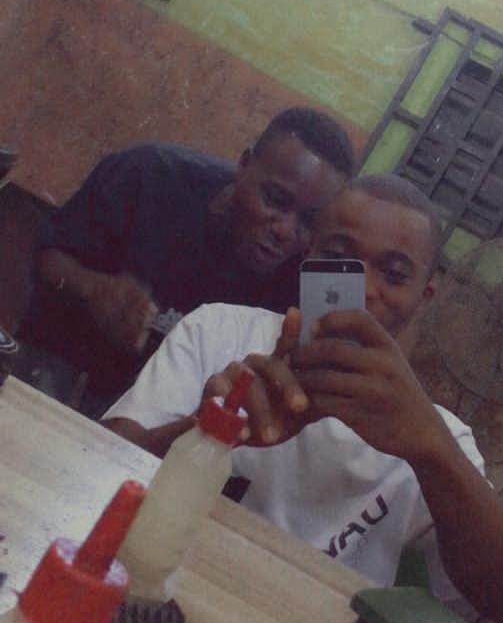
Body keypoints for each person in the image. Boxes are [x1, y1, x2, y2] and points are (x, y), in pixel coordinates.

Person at [103, 174, 503, 623]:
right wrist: (208, 427)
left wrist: (431, 449)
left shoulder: (432, 431)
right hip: (154, 595)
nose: (363, 289)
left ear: (423, 297)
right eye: (337, 258)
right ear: (307, 258)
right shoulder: (220, 332)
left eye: (393, 275)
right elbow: (99, 458)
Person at [17, 108, 354, 416]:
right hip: (65, 366)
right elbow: (48, 255)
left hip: (177, 413)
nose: (285, 231)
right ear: (243, 165)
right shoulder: (149, 177)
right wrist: (93, 288)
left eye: (308, 221)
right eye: (275, 200)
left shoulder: (309, 274)